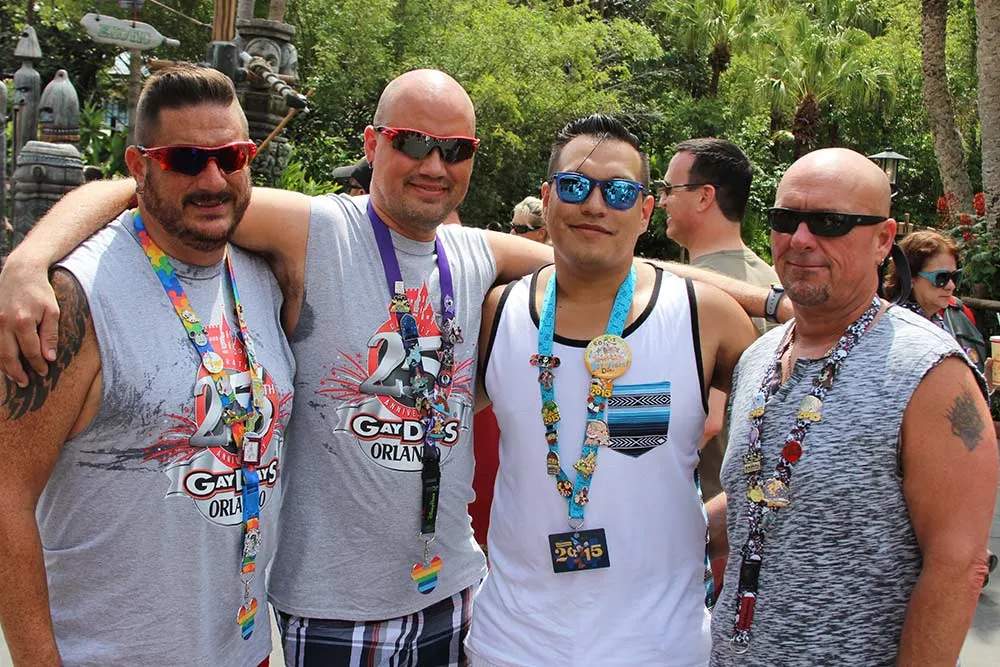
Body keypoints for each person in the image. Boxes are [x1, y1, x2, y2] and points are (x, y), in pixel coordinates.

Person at [0, 69, 791, 666]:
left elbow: (608, 261)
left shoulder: (476, 256)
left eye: (456, 149)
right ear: (373, 144)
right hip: (331, 608)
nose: (434, 164)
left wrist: (774, 303)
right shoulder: (312, 228)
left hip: (455, 598)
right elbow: (137, 187)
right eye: (413, 142)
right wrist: (28, 260)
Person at [0, 66, 295, 667]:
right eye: (185, 160)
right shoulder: (75, 298)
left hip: (244, 651)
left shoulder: (265, 274)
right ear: (139, 167)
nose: (212, 179)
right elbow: (6, 493)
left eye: (231, 157)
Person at [466, 115, 757, 666]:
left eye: (619, 191)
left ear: (645, 211)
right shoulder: (497, 313)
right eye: (575, 186)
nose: (595, 205)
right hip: (511, 642)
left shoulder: (705, 317)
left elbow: (784, 448)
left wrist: (711, 524)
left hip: (661, 647)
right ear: (547, 198)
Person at [708, 148, 997, 666]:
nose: (800, 238)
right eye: (785, 219)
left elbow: (959, 565)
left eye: (829, 222)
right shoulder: (760, 356)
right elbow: (772, 492)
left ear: (883, 240)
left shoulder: (929, 372)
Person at [659, 139, 780, 527]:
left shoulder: (700, 292)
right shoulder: (769, 281)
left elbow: (709, 423)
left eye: (669, 189)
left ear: (704, 197)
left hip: (705, 510)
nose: (661, 201)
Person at [886, 229, 988, 372]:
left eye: (955, 276)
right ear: (910, 278)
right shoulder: (895, 329)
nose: (951, 286)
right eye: (941, 278)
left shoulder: (940, 319)